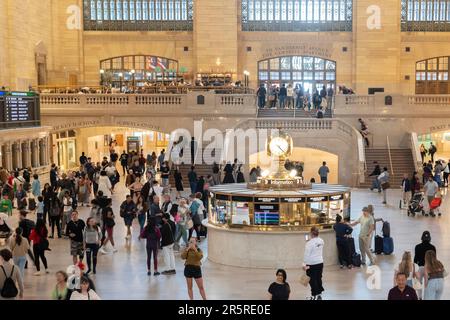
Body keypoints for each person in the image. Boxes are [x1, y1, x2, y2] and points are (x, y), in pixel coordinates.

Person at [303, 227, 324, 300]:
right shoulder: (321, 241)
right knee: (318, 278)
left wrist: (304, 264)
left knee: (312, 280)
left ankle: (314, 295)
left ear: (311, 233)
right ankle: (319, 294)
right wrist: (310, 241)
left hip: (311, 264)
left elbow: (306, 255)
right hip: (320, 262)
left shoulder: (309, 243)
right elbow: (316, 245)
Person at [414, 231, 436, 299]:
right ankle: (427, 297)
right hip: (429, 268)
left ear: (422, 238)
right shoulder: (432, 247)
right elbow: (434, 260)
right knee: (427, 284)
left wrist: (414, 270)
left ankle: (420, 297)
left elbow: (415, 259)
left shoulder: (417, 247)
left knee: (419, 283)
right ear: (429, 238)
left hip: (420, 267)